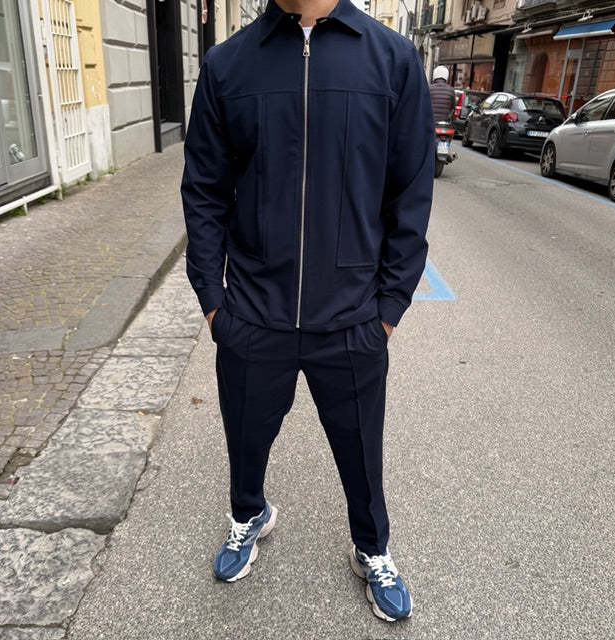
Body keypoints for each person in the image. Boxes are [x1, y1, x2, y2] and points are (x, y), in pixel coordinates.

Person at [181, 0, 434, 623]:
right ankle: (249, 515)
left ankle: (371, 547)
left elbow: (410, 190)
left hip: (352, 317)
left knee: (360, 450)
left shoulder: (392, 60)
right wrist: (214, 303)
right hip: (252, 314)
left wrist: (388, 307)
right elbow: (205, 189)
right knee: (246, 435)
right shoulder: (227, 64)